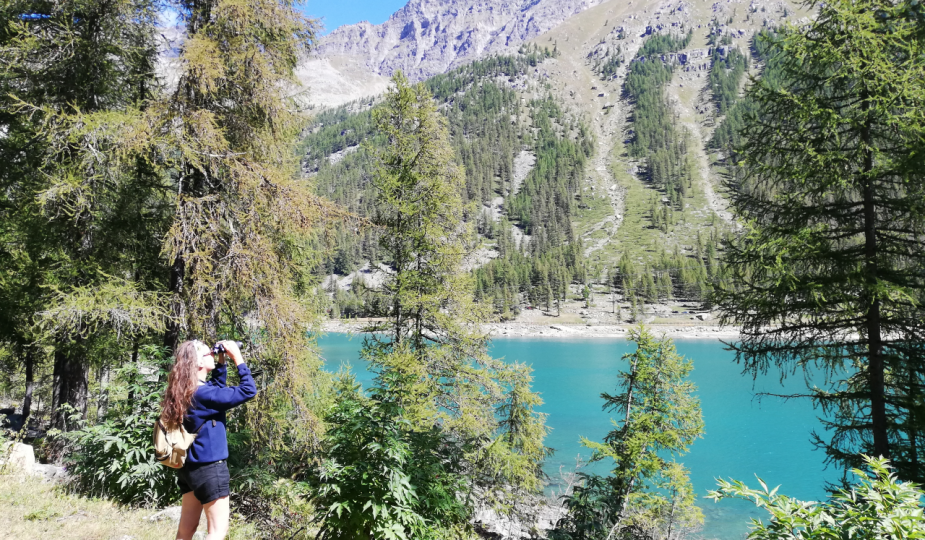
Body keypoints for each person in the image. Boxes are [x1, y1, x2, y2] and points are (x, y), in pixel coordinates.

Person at [160, 340, 257, 540]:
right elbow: (248, 390)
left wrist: (221, 361)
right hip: (210, 469)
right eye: (208, 355)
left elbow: (215, 388)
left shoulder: (185, 390)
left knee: (186, 531)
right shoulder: (203, 394)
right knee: (217, 531)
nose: (212, 355)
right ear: (197, 363)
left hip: (189, 469)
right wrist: (237, 357)